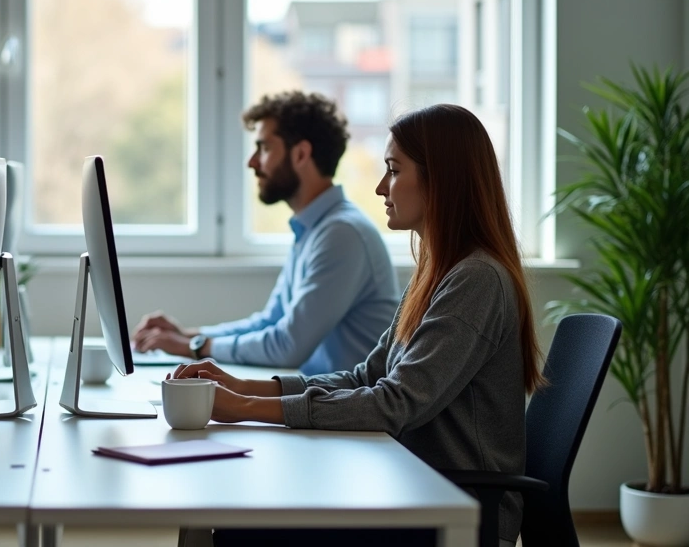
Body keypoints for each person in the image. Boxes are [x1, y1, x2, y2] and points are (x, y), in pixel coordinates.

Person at [171, 104, 545, 546]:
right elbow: (367, 376)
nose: (381, 186)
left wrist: (244, 408)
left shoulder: (476, 279)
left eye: (394, 170)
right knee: (239, 511)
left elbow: (393, 404)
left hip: (457, 509)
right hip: (412, 483)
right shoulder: (437, 272)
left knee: (243, 531)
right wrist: (247, 388)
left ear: (441, 180)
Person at [133, 91, 399, 374]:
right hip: (322, 395)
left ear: (301, 154)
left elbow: (287, 346)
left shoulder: (342, 235)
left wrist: (195, 347)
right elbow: (270, 322)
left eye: (264, 148)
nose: (252, 162)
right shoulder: (316, 229)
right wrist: (189, 335)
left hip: (349, 401)